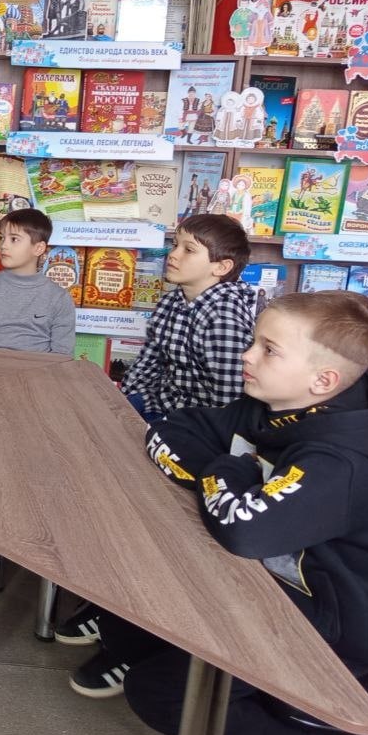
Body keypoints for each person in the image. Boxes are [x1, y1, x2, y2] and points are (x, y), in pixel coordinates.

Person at [119, 291, 368, 735]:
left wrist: (225, 471)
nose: (247, 355)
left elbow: (244, 530)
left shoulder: (339, 465)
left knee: (158, 693)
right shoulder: (269, 406)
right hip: (274, 589)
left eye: (269, 350)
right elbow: (170, 431)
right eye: (254, 341)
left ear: (323, 381)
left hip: (339, 627)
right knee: (128, 627)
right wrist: (229, 477)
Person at [62, 213, 255, 695]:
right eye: (175, 244)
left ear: (221, 267)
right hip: (162, 419)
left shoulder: (224, 316)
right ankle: (111, 608)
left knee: (148, 532)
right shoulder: (173, 299)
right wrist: (123, 411)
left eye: (189, 249)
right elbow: (148, 364)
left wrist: (162, 434)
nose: (173, 254)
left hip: (200, 440)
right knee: (91, 478)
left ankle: (133, 641)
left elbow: (228, 406)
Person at [0, 208, 74, 357]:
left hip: (36, 369)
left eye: (14, 239)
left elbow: (62, 354)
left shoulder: (59, 298)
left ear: (38, 248)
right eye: (1, 238)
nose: (3, 245)